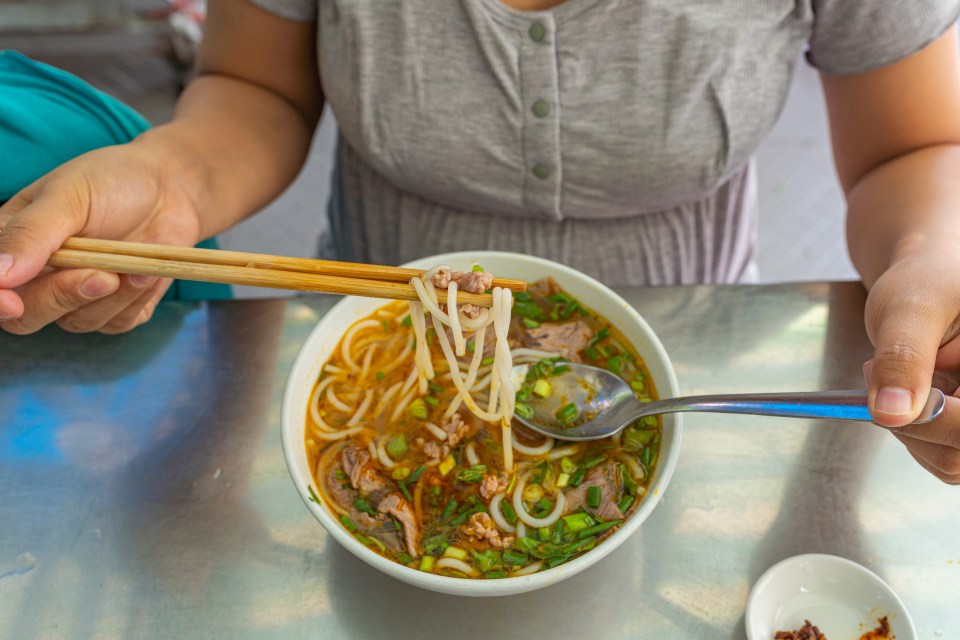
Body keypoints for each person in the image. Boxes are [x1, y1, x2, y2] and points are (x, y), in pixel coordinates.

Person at [1, 0, 959, 483]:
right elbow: (259, 91)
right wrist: (167, 184)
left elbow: (913, 146)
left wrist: (928, 263)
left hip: (686, 377)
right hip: (378, 349)